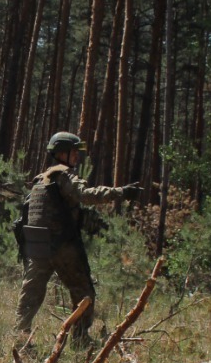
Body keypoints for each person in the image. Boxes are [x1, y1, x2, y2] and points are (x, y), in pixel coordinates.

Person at [14, 131, 139, 347]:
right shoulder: (64, 176)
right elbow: (86, 195)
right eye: (73, 153)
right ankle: (80, 340)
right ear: (62, 153)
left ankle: (20, 340)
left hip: (37, 247)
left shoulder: (38, 181)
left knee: (30, 295)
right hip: (62, 246)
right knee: (84, 291)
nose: (76, 158)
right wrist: (119, 192)